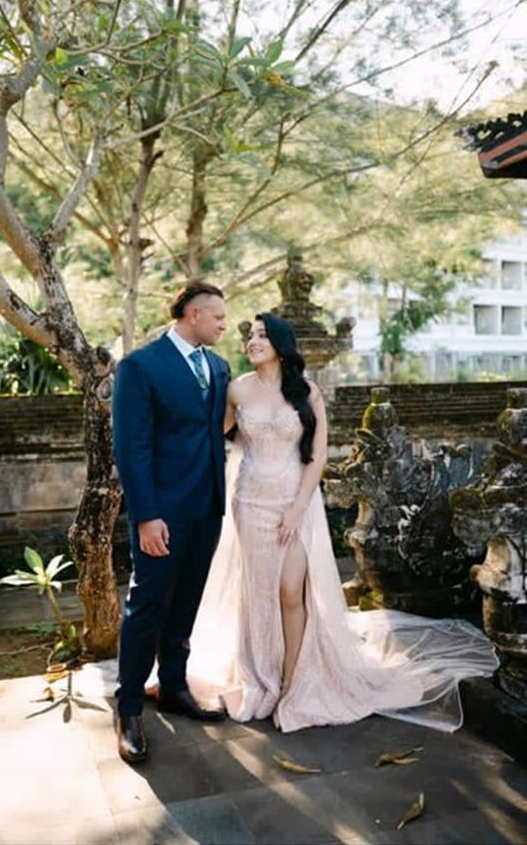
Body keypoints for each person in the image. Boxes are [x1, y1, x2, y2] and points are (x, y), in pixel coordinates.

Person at [188, 312, 499, 733]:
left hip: (294, 502)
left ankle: (292, 682)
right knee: (258, 592)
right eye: (250, 335)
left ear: (281, 343)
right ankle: (260, 674)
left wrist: (298, 508)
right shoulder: (237, 389)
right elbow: (211, 435)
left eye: (262, 335)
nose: (252, 341)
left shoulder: (307, 393)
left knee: (290, 593)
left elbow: (316, 456)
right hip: (250, 502)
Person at [112, 281, 231, 763]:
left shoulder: (218, 367)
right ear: (194, 314)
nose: (225, 324)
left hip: (208, 509)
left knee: (186, 604)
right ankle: (128, 708)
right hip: (161, 513)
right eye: (219, 316)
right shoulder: (141, 367)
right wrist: (146, 517)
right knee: (147, 606)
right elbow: (131, 447)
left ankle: (175, 686)